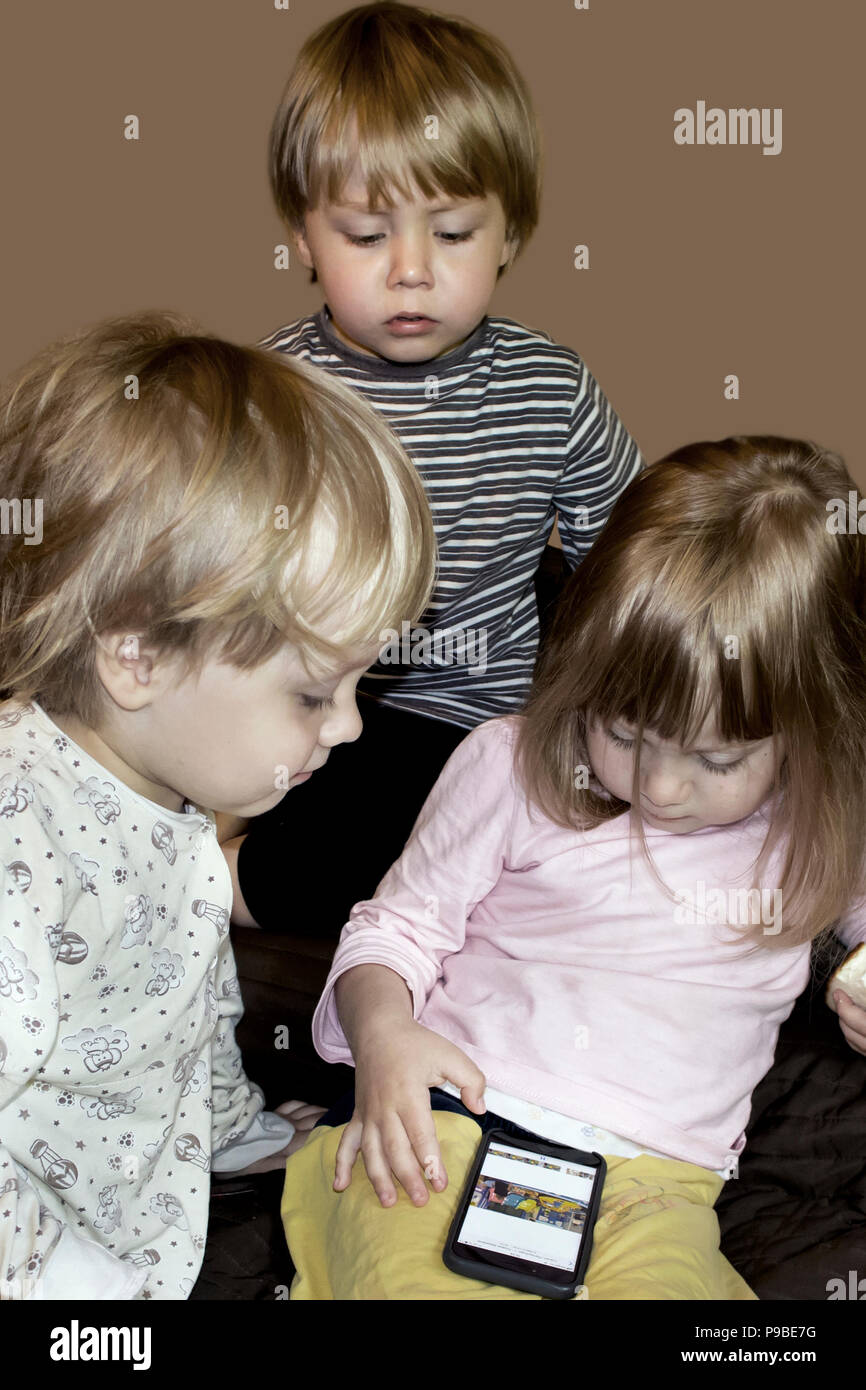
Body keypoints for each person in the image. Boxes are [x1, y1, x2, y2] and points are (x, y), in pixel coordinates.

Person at [280, 436, 866, 1300]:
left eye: (715, 760)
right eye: (625, 735)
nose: (661, 786)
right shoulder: (509, 764)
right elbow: (395, 928)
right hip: (455, 1122)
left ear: (812, 727)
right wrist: (382, 1035)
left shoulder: (824, 820)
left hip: (660, 1183)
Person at [0, 311, 434, 1299]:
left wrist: (233, 1131)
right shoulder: (21, 847)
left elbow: (191, 995)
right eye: (313, 693)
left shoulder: (173, 803)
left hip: (148, 1231)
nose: (350, 729)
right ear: (139, 654)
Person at [225, 1, 643, 934]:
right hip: (293, 698)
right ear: (302, 235)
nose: (410, 271)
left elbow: (630, 565)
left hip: (461, 712)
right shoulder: (278, 389)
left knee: (391, 849)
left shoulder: (552, 386)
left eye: (452, 233)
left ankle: (225, 888)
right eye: (366, 237)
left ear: (512, 235)